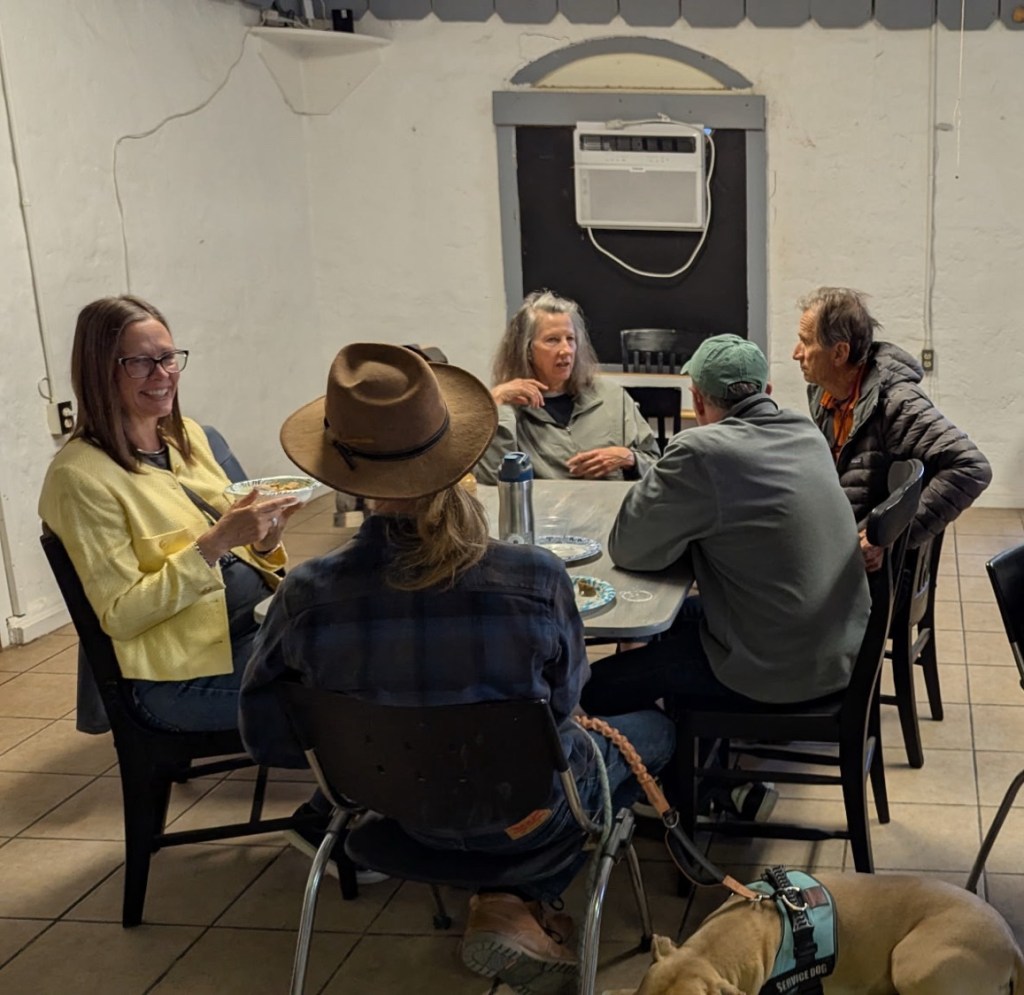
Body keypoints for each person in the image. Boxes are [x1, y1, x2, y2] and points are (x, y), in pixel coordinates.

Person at [240, 342, 675, 994]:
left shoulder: (305, 595)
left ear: (345, 476)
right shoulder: (536, 578)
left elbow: (268, 737)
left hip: (390, 818)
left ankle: (502, 901)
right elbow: (561, 716)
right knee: (654, 732)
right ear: (461, 459)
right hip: (526, 819)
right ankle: (517, 893)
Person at [580, 335, 871, 817]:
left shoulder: (702, 449)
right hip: (839, 648)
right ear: (767, 389)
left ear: (696, 400)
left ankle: (686, 789)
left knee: (596, 687)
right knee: (669, 628)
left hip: (778, 667)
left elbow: (629, 548)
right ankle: (710, 777)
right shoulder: (806, 431)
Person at [38, 295, 301, 732]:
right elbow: (122, 612)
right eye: (140, 363)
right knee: (338, 686)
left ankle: (360, 792)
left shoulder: (187, 437)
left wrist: (266, 539)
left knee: (363, 649)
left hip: (253, 629)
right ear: (101, 371)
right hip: (180, 678)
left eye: (167, 358)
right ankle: (344, 795)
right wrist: (215, 543)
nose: (162, 375)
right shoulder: (78, 479)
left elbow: (246, 554)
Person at [793, 287, 991, 570]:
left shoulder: (896, 403)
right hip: (839, 550)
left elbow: (973, 468)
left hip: (872, 573)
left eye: (805, 341)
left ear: (839, 353)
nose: (795, 353)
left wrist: (890, 537)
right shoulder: (823, 394)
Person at [475, 290, 660, 483]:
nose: (566, 350)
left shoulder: (611, 397)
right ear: (527, 350)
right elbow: (491, 482)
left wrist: (628, 458)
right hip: (544, 511)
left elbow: (657, 467)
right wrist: (493, 403)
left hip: (613, 510)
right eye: (552, 340)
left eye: (570, 339)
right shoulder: (510, 408)